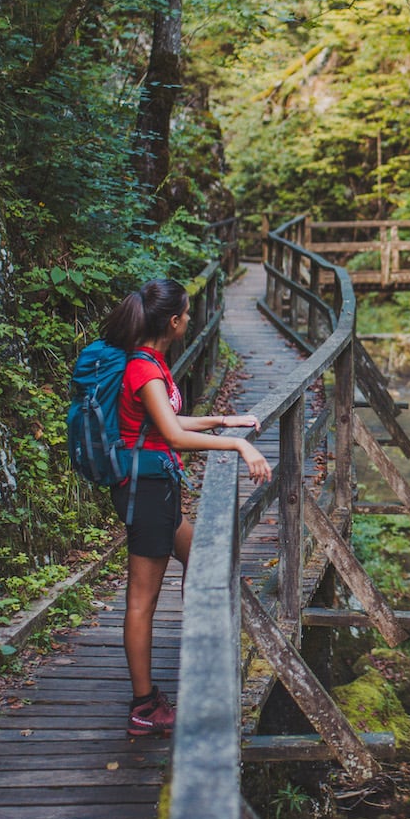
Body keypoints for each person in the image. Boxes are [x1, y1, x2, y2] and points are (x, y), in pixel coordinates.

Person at [100, 278, 270, 736]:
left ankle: (200, 657)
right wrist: (235, 444)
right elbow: (173, 436)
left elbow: (167, 422)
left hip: (160, 488)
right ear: (173, 322)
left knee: (204, 560)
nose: (192, 319)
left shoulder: (152, 362)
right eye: (188, 314)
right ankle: (143, 705)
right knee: (141, 600)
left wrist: (222, 420)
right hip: (147, 491)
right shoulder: (143, 368)